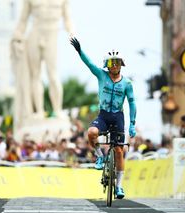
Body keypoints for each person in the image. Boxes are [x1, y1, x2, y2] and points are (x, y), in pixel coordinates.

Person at [70, 37, 137, 199]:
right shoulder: (101, 75)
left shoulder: (127, 83)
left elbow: (132, 103)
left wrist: (132, 124)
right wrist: (80, 51)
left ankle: (119, 186)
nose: (114, 65)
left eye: (117, 62)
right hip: (104, 115)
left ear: (121, 64)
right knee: (92, 132)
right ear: (107, 65)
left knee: (119, 151)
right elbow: (90, 64)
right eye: (111, 63)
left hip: (118, 117)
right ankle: (100, 156)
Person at [11, 0, 74, 123]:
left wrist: (71, 32)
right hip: (35, 33)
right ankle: (39, 111)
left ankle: (57, 110)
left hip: (52, 34)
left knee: (53, 75)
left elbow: (68, 19)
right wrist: (17, 37)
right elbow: (23, 20)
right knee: (35, 75)